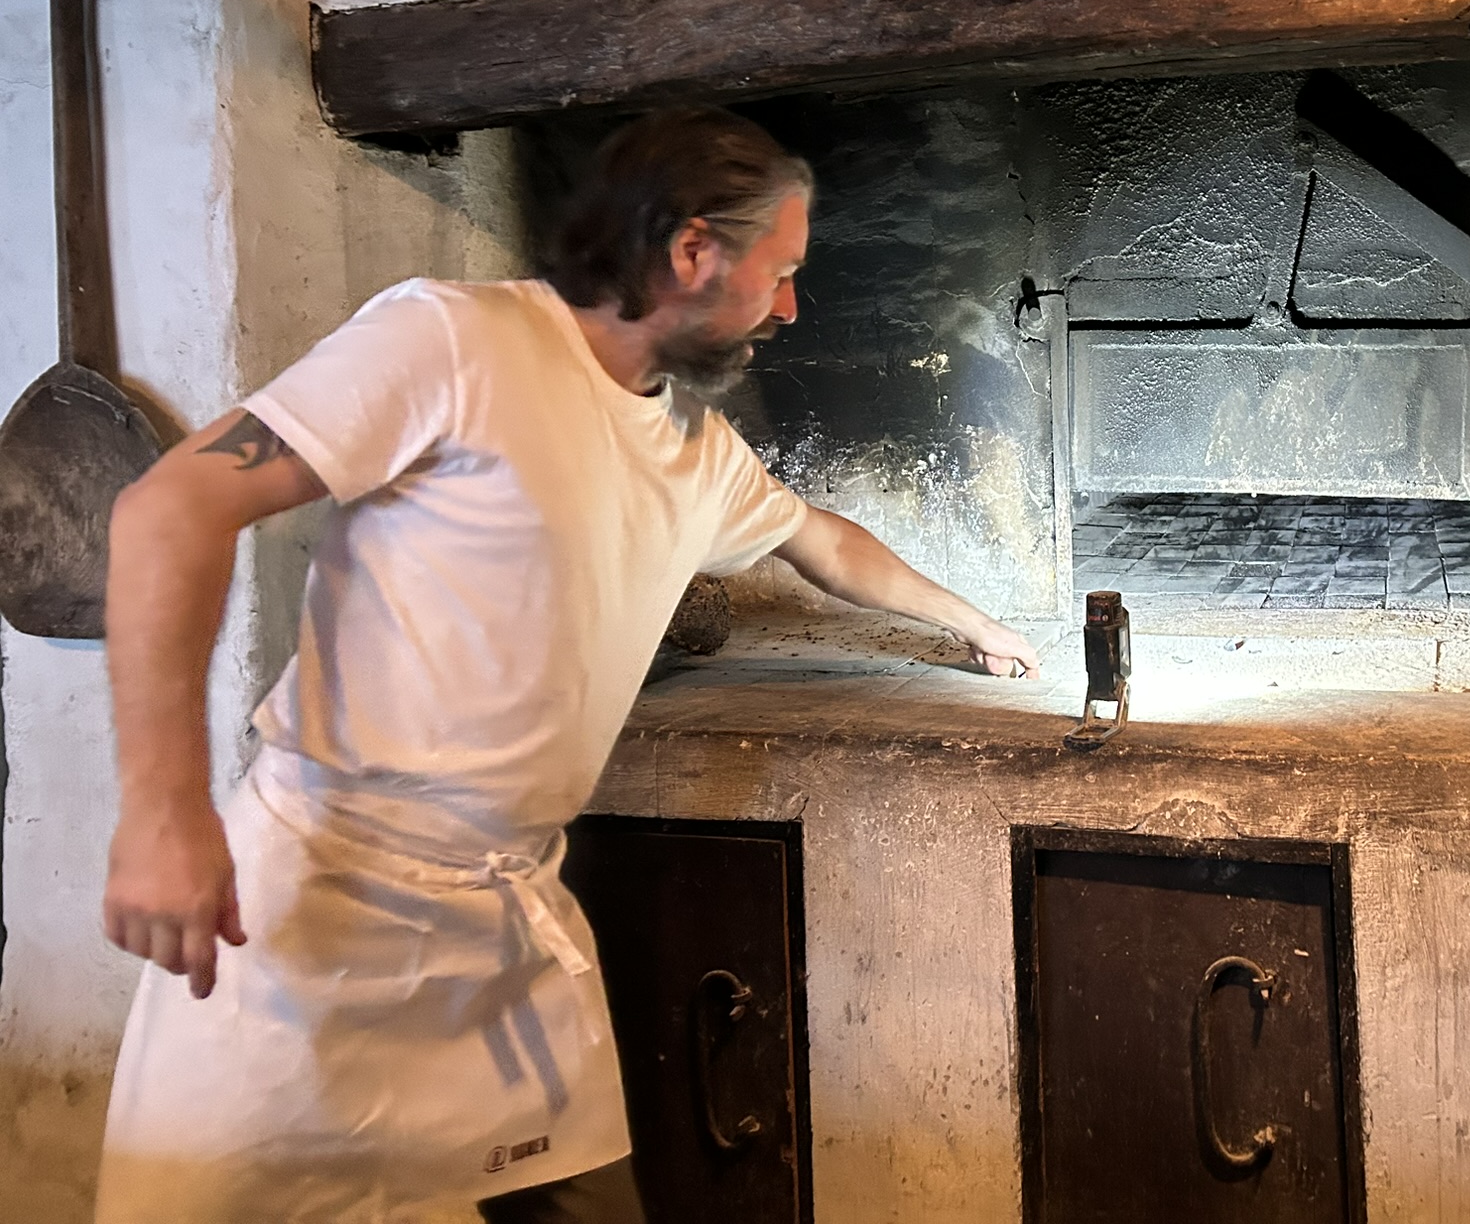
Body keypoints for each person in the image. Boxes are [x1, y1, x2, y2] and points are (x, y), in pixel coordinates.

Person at [94, 107, 1040, 1223]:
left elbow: (822, 542)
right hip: (317, 910)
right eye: (780, 272)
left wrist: (977, 624)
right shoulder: (452, 342)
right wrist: (162, 813)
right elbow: (170, 509)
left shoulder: (692, 447)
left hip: (502, 934)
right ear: (692, 251)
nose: (790, 307)